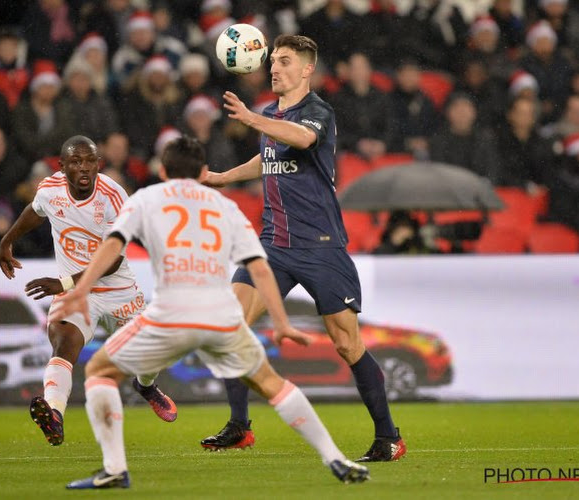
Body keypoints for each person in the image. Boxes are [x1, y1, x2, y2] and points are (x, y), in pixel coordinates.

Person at [50, 136, 370, 488]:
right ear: (203, 171)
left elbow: (114, 245)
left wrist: (79, 290)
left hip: (171, 314)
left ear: (161, 171)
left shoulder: (146, 199)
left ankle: (114, 469)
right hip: (220, 316)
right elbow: (260, 267)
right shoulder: (225, 207)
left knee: (98, 371)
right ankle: (335, 458)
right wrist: (280, 321)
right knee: (271, 384)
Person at [202, 35, 406, 462]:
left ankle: (389, 436)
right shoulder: (270, 117)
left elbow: (300, 139)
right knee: (229, 328)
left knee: (347, 345)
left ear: (307, 70)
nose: (274, 68)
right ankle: (240, 427)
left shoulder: (317, 114)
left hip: (320, 246)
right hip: (273, 245)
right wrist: (224, 177)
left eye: (285, 61)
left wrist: (253, 120)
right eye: (273, 61)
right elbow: (268, 156)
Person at [0, 135, 176, 447]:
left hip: (116, 286)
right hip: (76, 291)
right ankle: (53, 413)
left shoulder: (114, 196)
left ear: (99, 164)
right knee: (64, 343)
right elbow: (36, 210)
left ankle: (146, 386)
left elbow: (114, 257)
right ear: (62, 166)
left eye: (90, 161)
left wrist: (64, 283)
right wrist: (7, 240)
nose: (83, 167)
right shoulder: (50, 189)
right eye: (76, 161)